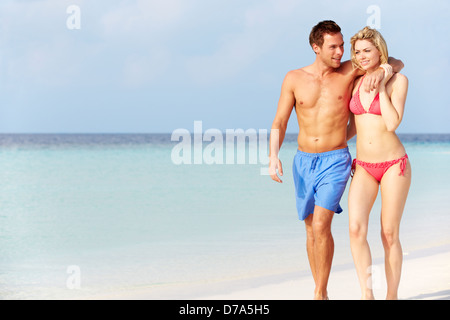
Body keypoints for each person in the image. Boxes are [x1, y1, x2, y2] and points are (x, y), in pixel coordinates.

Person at [268, 20, 403, 300]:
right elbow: (280, 120)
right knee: (310, 228)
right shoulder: (293, 78)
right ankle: (323, 289)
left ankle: (319, 292)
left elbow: (395, 61)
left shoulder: (349, 71)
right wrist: (272, 156)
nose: (341, 52)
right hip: (303, 161)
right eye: (334, 47)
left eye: (343, 46)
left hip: (336, 159)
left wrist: (382, 71)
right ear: (316, 47)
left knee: (321, 224)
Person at [347, 26, 410, 300]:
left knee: (388, 233)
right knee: (356, 229)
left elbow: (392, 122)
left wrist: (383, 82)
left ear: (379, 51)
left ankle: (392, 296)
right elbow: (351, 126)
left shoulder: (399, 81)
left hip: (393, 165)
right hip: (363, 167)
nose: (361, 56)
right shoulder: (354, 81)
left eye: (367, 51)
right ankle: (367, 295)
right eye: (357, 52)